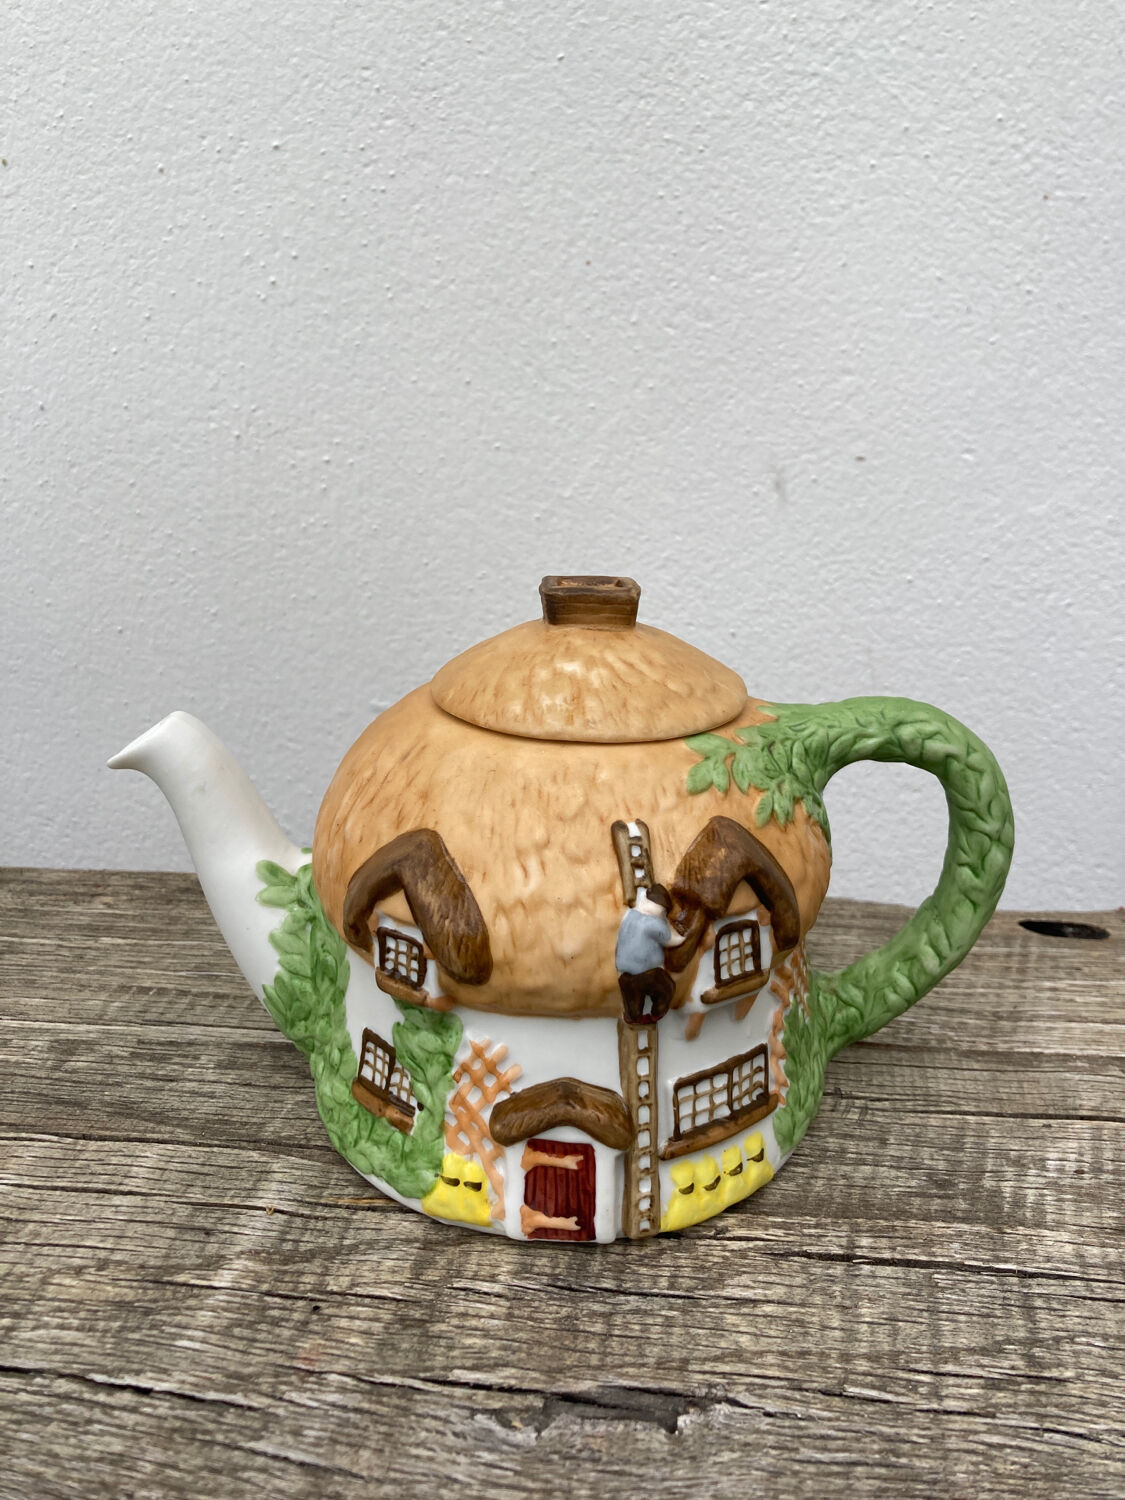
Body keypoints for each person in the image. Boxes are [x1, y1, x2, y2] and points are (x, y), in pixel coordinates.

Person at [615, 884, 685, 1025]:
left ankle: (632, 1017)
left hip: (624, 974)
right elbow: (670, 940)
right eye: (663, 910)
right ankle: (656, 1014)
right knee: (666, 987)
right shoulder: (653, 924)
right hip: (645, 973)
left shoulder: (630, 915)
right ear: (660, 909)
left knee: (633, 998)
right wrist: (684, 937)